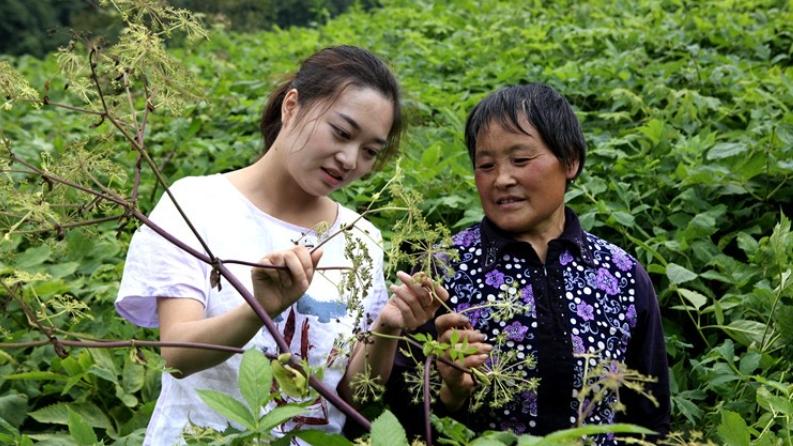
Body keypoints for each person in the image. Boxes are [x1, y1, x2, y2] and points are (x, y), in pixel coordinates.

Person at [115, 45, 442, 445]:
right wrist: (261, 309)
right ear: (292, 106)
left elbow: (357, 394)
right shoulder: (195, 204)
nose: (349, 159)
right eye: (341, 132)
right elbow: (178, 357)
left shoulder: (362, 240)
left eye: (370, 152)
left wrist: (387, 328)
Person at [385, 84, 670, 444]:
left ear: (570, 161)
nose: (502, 179)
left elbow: (649, 418)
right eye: (486, 165)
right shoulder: (442, 269)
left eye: (520, 160)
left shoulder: (622, 274)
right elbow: (397, 418)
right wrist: (451, 392)